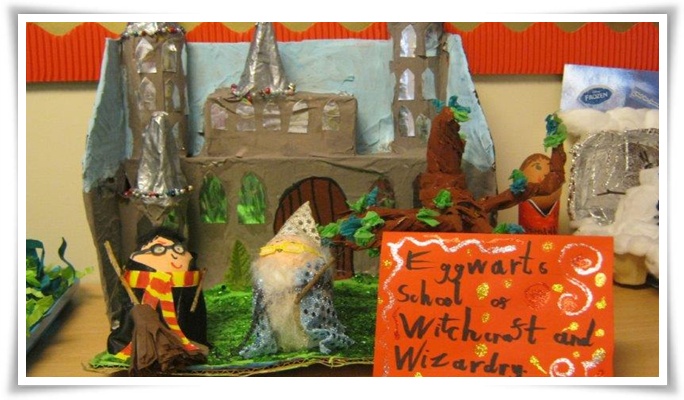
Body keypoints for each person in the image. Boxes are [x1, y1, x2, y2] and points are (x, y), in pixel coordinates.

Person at [106, 227, 209, 366]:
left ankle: (182, 343)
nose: (173, 255)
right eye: (159, 249)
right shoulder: (135, 275)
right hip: (143, 323)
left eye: (177, 249)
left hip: (185, 322)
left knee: (189, 323)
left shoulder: (191, 277)